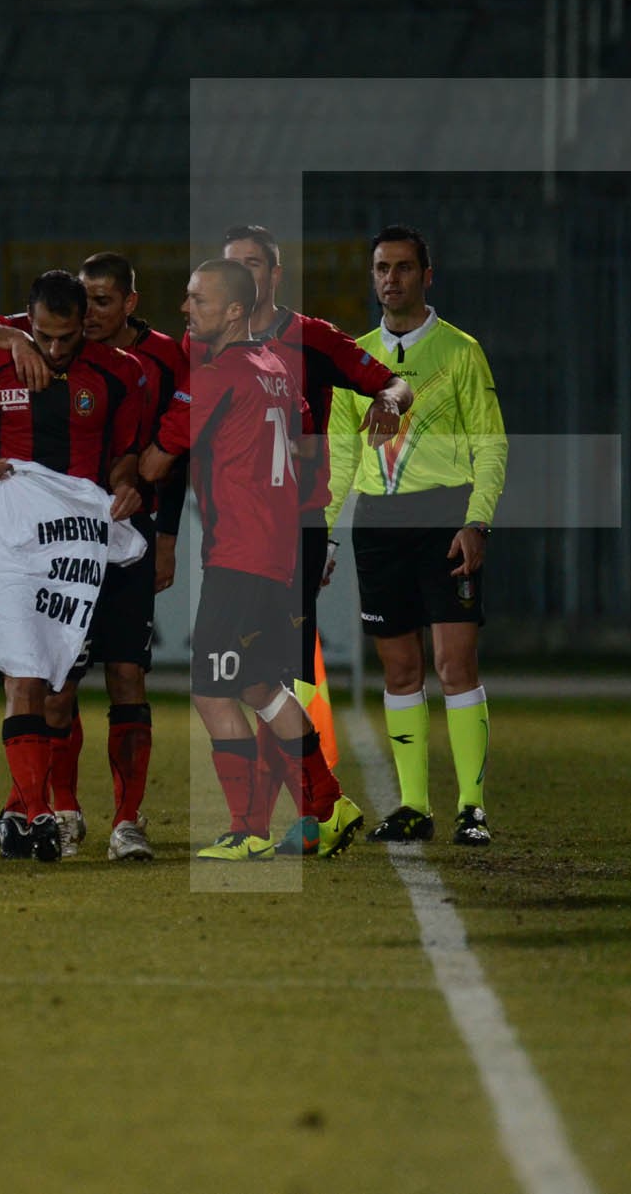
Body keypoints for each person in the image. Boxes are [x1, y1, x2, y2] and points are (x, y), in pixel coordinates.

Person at [0, 252, 183, 861]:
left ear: (126, 302)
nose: (87, 319)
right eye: (84, 303)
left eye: (102, 304)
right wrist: (8, 336)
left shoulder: (150, 363)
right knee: (53, 686)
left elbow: (158, 448)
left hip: (119, 529)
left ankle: (128, 821)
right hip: (45, 541)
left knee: (127, 674)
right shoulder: (21, 340)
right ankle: (59, 809)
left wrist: (159, 522)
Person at [140, 259, 367, 861]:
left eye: (199, 300)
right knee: (261, 684)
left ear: (235, 310)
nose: (187, 310)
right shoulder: (277, 370)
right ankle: (328, 802)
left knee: (211, 689)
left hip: (238, 556)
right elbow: (306, 447)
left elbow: (156, 463)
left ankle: (248, 829)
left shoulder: (217, 377)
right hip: (281, 551)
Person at [217, 225, 411, 830]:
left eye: (254, 264)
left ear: (275, 275)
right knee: (246, 672)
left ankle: (300, 811)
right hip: (233, 530)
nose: (242, 276)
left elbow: (394, 382)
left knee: (269, 673)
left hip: (291, 529)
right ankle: (306, 807)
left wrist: (388, 403)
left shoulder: (313, 338)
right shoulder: (210, 342)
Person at [325, 228, 508, 847]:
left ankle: (472, 807)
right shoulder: (355, 357)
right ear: (372, 275)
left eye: (404, 267)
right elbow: (341, 456)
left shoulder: (460, 351)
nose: (391, 278)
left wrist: (477, 519)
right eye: (382, 267)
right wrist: (325, 535)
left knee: (456, 664)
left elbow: (490, 444)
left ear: (427, 275)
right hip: (379, 523)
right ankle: (412, 806)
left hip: (444, 518)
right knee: (400, 670)